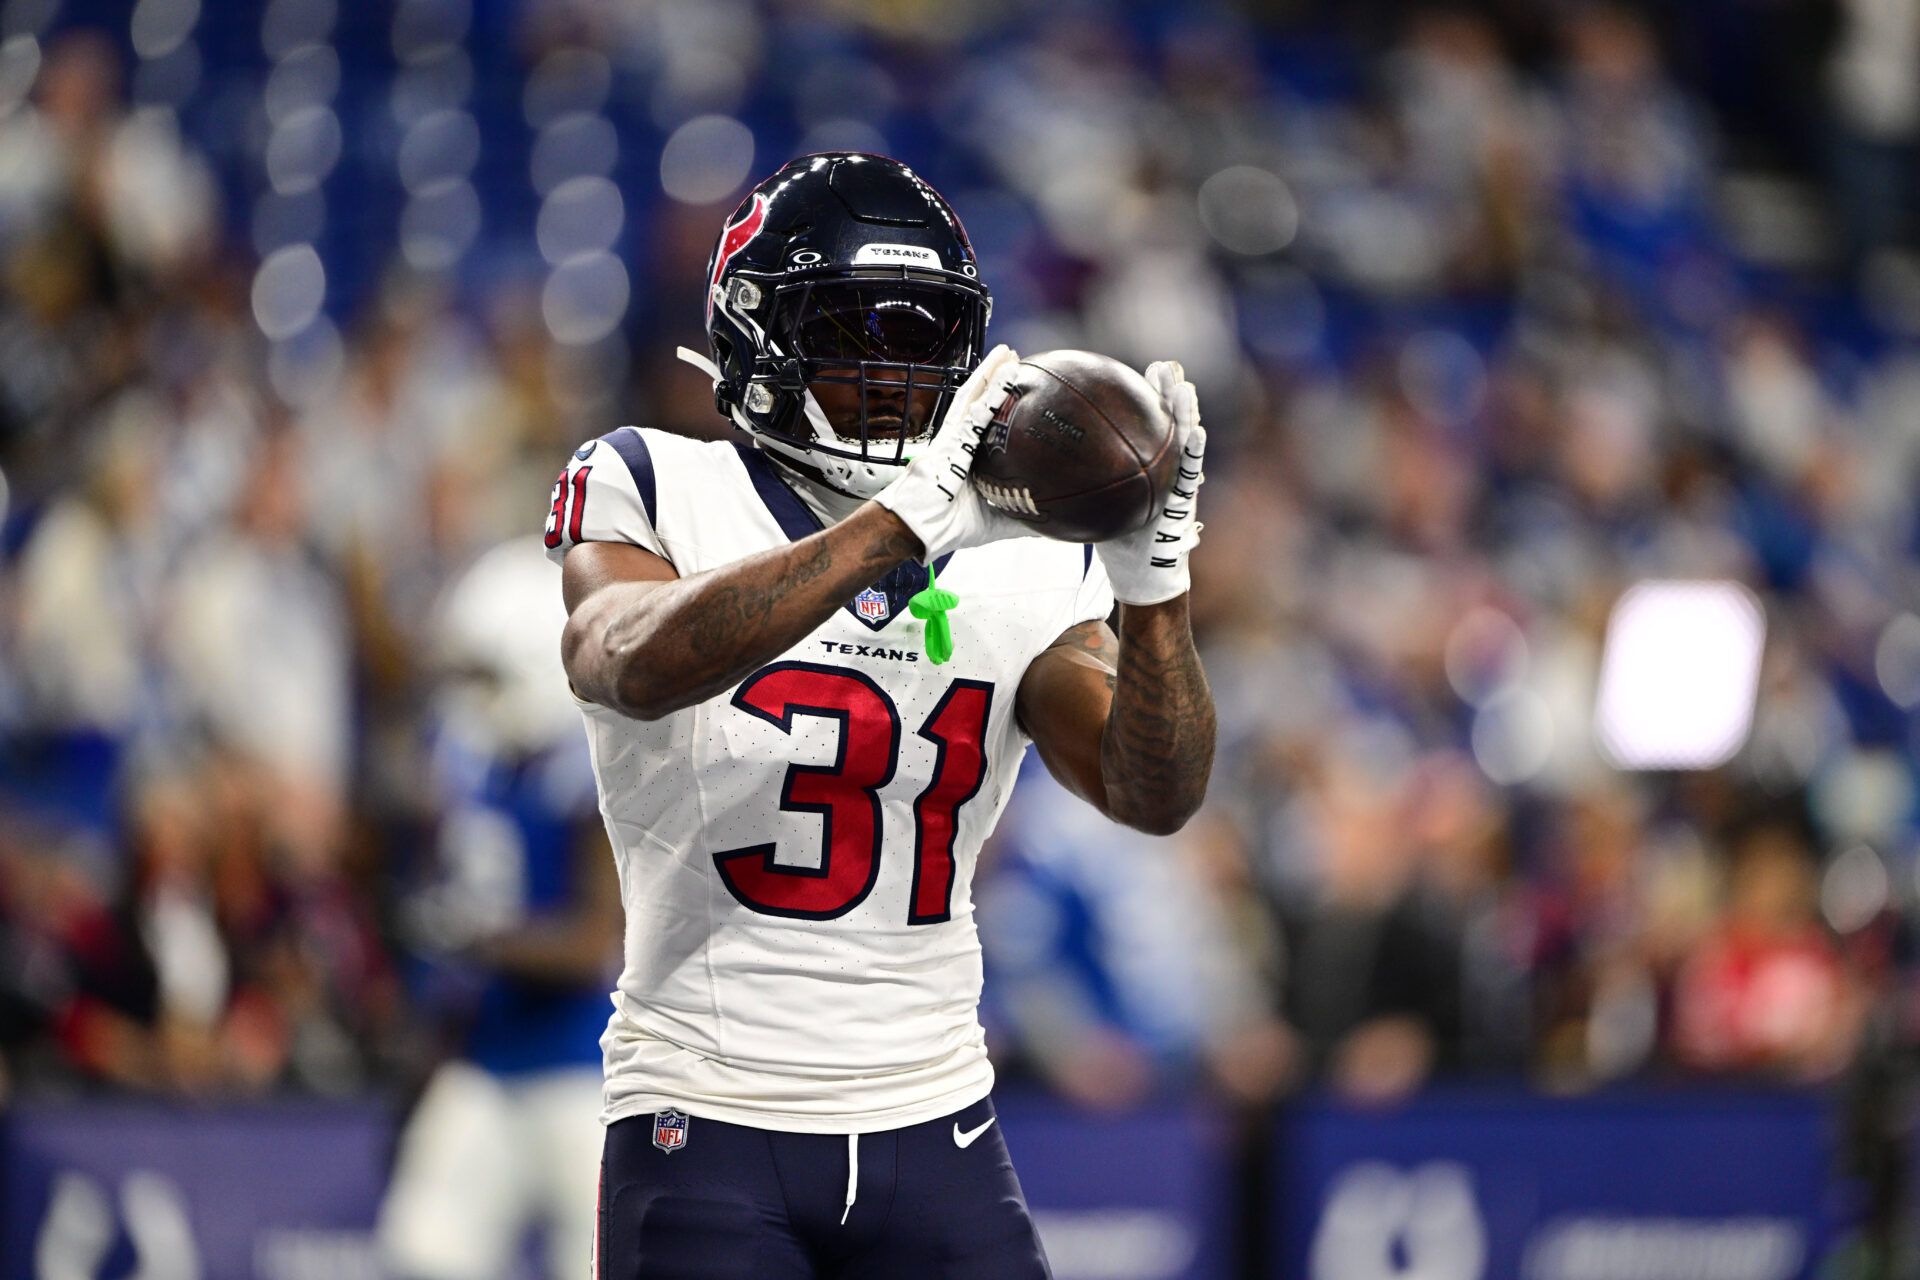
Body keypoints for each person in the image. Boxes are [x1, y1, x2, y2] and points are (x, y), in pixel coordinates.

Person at [545, 153, 1215, 1280]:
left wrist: (1156, 592)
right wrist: (891, 530)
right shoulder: (655, 481)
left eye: (922, 338)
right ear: (760, 336)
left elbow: (1154, 791)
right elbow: (625, 658)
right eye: (856, 332)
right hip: (707, 1111)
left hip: (934, 1115)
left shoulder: (1021, 553)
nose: (895, 373)